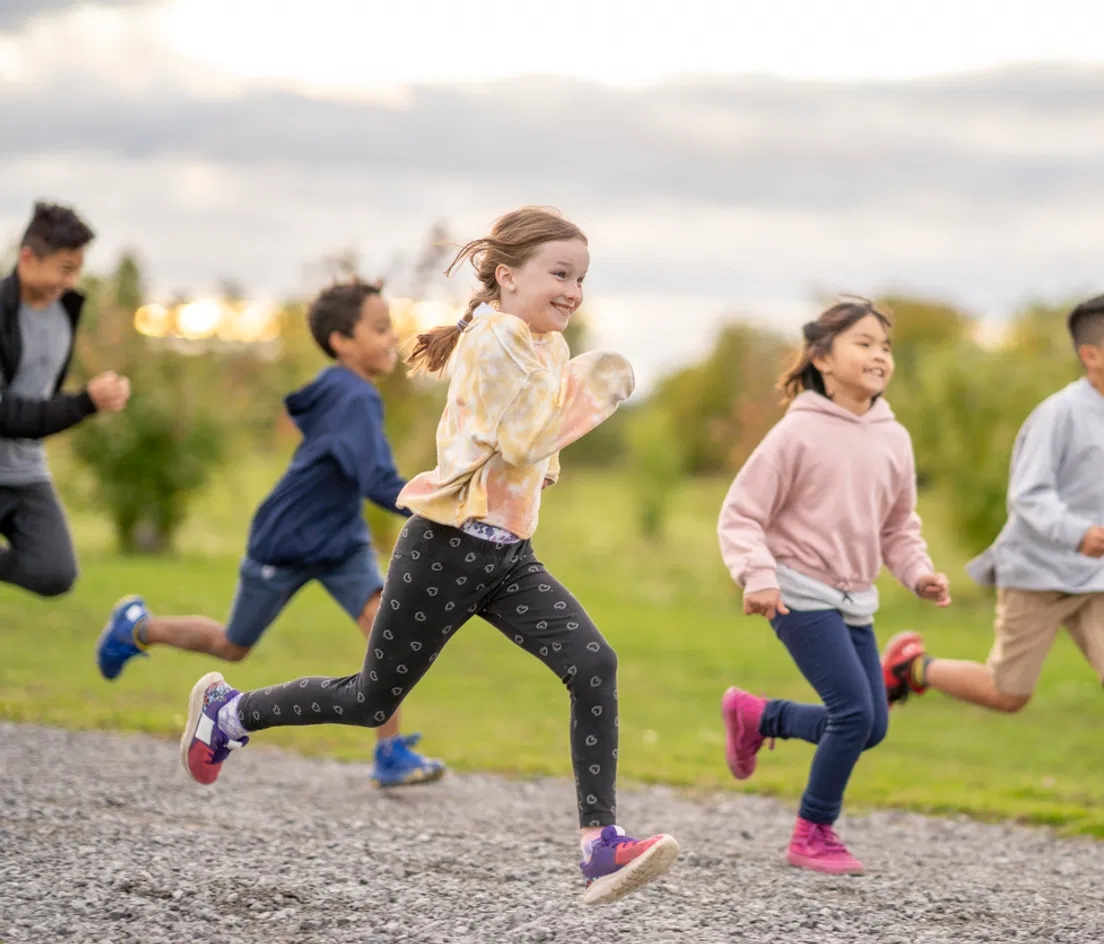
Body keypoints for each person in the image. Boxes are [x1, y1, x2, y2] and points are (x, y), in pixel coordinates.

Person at [175, 206, 679, 905]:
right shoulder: (493, 340)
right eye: (560, 274)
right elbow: (529, 438)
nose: (573, 290)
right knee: (370, 698)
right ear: (507, 275)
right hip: (447, 548)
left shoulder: (547, 346)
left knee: (593, 664)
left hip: (507, 556)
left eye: (581, 278)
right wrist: (592, 394)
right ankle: (229, 716)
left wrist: (565, 409)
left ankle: (600, 846)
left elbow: (539, 457)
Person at [881, 292, 1104, 854]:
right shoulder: (1061, 413)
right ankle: (914, 668)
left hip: (1097, 579)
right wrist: (1076, 532)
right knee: (1008, 694)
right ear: (1091, 355)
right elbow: (1027, 497)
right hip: (1037, 572)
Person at [96, 278, 446, 787]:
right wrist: (441, 505)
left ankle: (388, 751)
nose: (392, 337)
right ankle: (136, 626)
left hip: (341, 542)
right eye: (380, 328)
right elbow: (377, 481)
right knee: (232, 645)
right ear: (342, 341)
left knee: (381, 626)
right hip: (287, 541)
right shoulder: (353, 396)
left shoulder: (349, 391)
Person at [716, 297, 951, 875]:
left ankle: (758, 716)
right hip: (795, 589)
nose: (879, 355)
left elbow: (898, 526)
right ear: (822, 357)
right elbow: (741, 514)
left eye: (885, 346)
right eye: (864, 344)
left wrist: (918, 572)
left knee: (871, 725)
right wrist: (759, 576)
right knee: (850, 714)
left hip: (853, 598)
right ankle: (813, 831)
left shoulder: (893, 437)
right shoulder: (795, 434)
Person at [0, 201, 130, 598]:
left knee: (55, 572)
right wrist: (86, 402)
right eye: (65, 269)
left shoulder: (65, 313)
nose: (72, 282)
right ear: (28, 258)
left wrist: (94, 398)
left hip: (26, 472)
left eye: (77, 270)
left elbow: (41, 394)